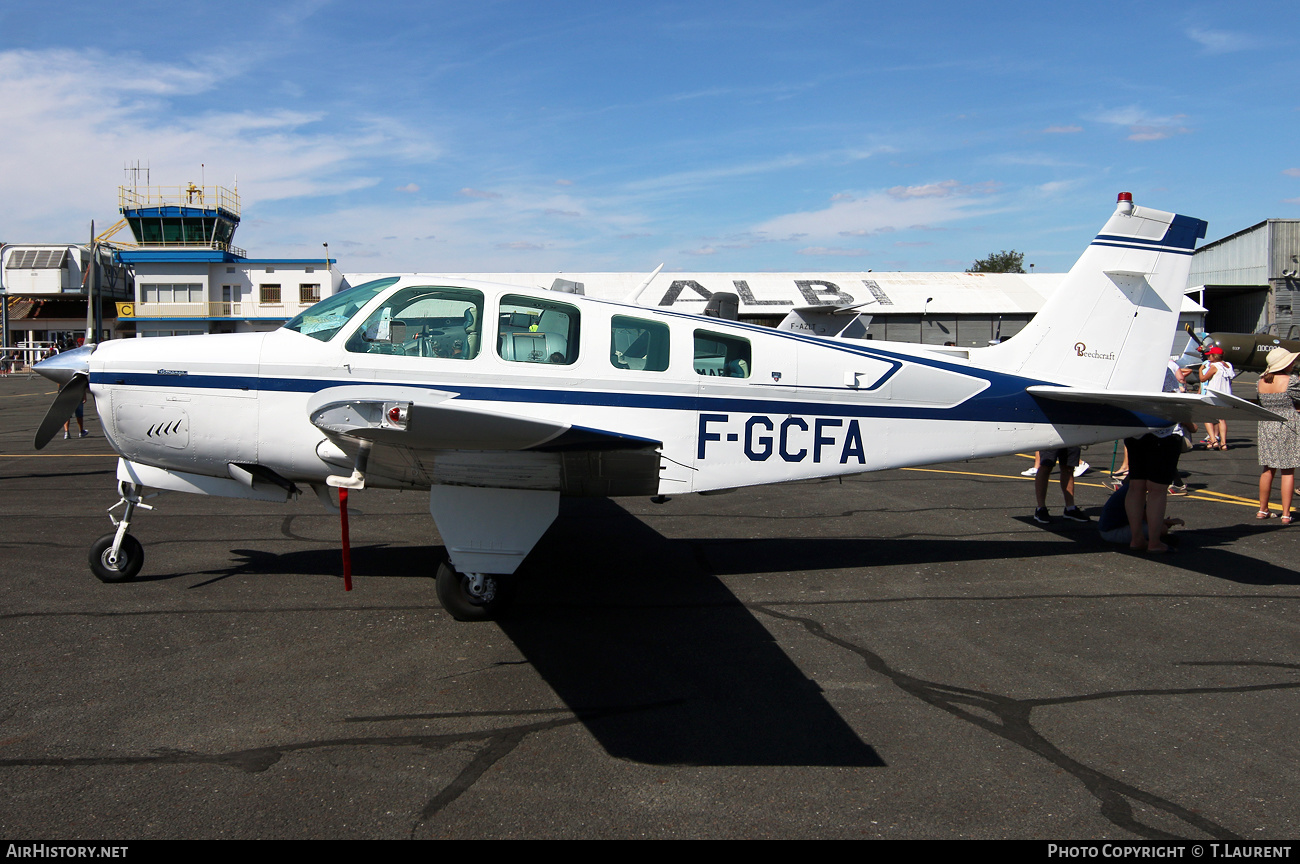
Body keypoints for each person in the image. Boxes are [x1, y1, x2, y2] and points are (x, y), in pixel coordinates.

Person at [1255, 347, 1300, 524]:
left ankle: (1262, 509)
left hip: (1267, 424)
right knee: (1288, 470)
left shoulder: (1260, 381)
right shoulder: (1291, 380)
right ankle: (1287, 514)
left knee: (1267, 469)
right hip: (1288, 424)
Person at [1098, 479, 1183, 545]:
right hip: (1112, 532)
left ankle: (1145, 539)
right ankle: (1149, 542)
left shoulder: (1132, 488)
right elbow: (1146, 517)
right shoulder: (1135, 493)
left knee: (1157, 526)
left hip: (1111, 528)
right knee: (1161, 529)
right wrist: (1169, 522)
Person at [1032, 447, 1090, 524]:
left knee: (1069, 467)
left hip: (1071, 437)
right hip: (1052, 437)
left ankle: (1070, 508)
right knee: (1046, 466)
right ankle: (1041, 508)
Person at [1199, 345, 1235, 450]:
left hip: (1213, 394)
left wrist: (1201, 369)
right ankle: (1223, 443)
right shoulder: (1228, 365)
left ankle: (1213, 439)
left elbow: (1203, 379)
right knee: (1222, 419)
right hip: (1225, 394)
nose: (1208, 358)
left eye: (1209, 356)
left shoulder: (1214, 367)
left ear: (1214, 356)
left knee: (1206, 417)